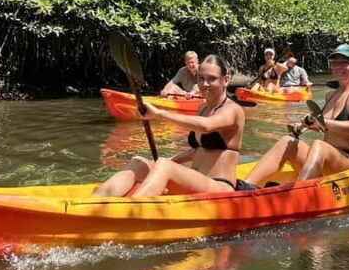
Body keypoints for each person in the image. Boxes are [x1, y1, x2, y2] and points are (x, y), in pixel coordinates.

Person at [94, 55, 245, 197]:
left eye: (212, 79)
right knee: (139, 162)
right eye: (201, 78)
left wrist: (159, 114)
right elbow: (199, 149)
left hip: (220, 188)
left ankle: (130, 212)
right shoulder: (202, 108)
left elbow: (207, 126)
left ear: (225, 80)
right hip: (198, 181)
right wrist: (167, 161)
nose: (205, 84)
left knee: (165, 166)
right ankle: (95, 202)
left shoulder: (233, 110)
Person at [243, 44, 349, 187]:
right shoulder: (330, 95)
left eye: (344, 63)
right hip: (328, 162)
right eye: (335, 63)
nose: (338, 67)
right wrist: (304, 126)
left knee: (319, 146)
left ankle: (297, 195)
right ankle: (246, 187)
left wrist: (320, 121)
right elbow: (323, 126)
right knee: (287, 142)